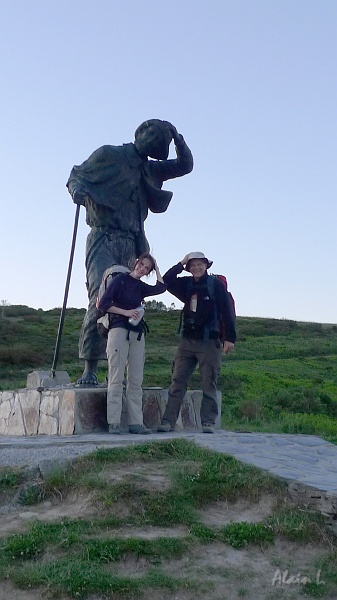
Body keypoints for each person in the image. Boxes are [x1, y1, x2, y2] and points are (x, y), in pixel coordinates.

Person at [66, 119, 193, 386]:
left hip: (131, 243)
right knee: (101, 297)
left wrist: (177, 137)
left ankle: (117, 371)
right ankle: (89, 367)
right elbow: (76, 175)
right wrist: (78, 190)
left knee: (129, 302)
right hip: (103, 235)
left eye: (162, 139)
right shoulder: (110, 155)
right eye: (156, 135)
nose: (158, 141)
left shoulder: (151, 169)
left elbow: (185, 166)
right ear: (141, 133)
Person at [157, 252, 236, 434]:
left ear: (206, 266)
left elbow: (227, 311)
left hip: (209, 341)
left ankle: (208, 422)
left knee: (209, 383)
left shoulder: (215, 284)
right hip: (187, 341)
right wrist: (181, 262)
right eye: (192, 265)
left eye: (200, 264)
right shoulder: (187, 284)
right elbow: (167, 280)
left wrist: (230, 338)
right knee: (177, 382)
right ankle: (168, 421)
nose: (196, 268)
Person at [97, 253, 166, 434]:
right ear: (136, 263)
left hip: (137, 333)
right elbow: (103, 304)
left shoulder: (142, 287)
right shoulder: (120, 280)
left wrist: (156, 267)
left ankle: (136, 423)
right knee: (116, 377)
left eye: (147, 268)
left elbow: (161, 287)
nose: (142, 269)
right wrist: (126, 313)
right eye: (141, 264)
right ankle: (114, 422)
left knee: (136, 379)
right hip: (118, 329)